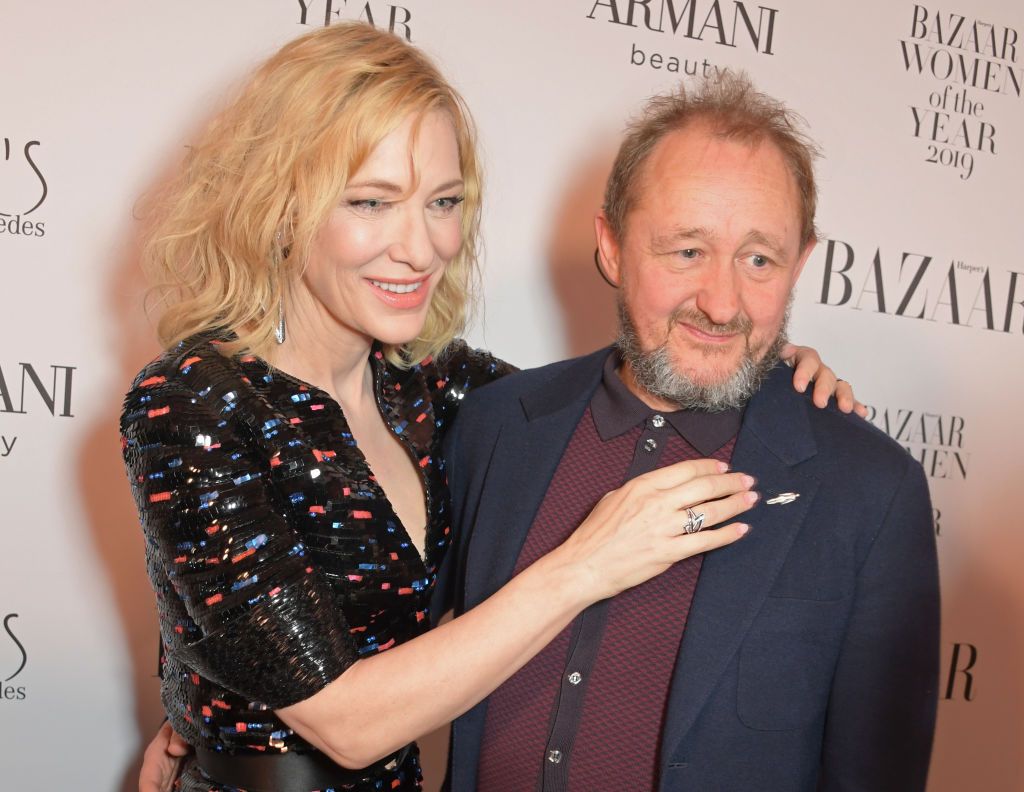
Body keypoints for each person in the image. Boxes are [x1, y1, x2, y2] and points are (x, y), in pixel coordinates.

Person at [127, 24, 862, 792]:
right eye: (372, 203)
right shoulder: (191, 404)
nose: (421, 247)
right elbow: (343, 721)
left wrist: (754, 357)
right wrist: (587, 565)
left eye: (442, 201)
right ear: (281, 208)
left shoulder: (444, 389)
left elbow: (613, 394)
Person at [439, 73, 941, 792]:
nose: (721, 302)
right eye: (686, 251)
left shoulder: (869, 489)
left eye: (759, 259)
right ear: (611, 247)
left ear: (800, 264)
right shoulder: (494, 426)